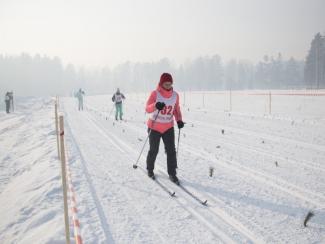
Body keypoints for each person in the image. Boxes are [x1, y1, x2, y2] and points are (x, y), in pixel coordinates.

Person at [145, 73, 184, 184]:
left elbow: (176, 109)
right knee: (154, 150)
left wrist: (179, 120)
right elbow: (147, 108)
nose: (168, 85)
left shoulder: (175, 95)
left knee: (171, 151)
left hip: (168, 127)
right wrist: (156, 105)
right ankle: (150, 169)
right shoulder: (155, 94)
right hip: (154, 127)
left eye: (170, 83)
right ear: (161, 83)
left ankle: (172, 173)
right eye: (165, 84)